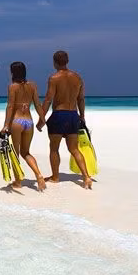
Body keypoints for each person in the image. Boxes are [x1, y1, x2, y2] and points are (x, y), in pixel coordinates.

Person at [37, 50, 93, 189]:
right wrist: (82, 116)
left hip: (59, 115)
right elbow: (81, 99)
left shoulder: (54, 78)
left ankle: (55, 177)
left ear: (54, 62)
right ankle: (86, 177)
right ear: (67, 61)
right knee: (74, 149)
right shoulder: (78, 78)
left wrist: (41, 119)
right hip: (73, 115)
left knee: (54, 148)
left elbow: (49, 99)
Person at [1, 61, 47, 191]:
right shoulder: (32, 86)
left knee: (15, 154)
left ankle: (18, 182)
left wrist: (5, 125)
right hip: (29, 122)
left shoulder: (13, 87)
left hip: (17, 121)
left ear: (12, 72)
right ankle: (38, 175)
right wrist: (42, 119)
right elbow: (38, 104)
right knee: (26, 152)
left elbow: (10, 106)